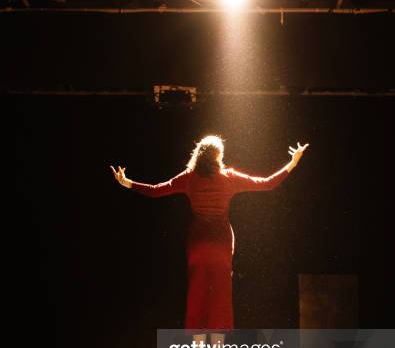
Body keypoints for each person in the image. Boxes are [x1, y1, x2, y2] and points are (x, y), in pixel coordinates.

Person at [111, 135, 308, 335]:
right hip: (221, 244)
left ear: (199, 155)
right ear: (218, 156)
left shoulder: (189, 177)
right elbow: (267, 183)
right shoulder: (229, 178)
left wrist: (127, 183)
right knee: (220, 297)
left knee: (197, 294)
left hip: (198, 243)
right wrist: (293, 162)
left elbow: (156, 190)